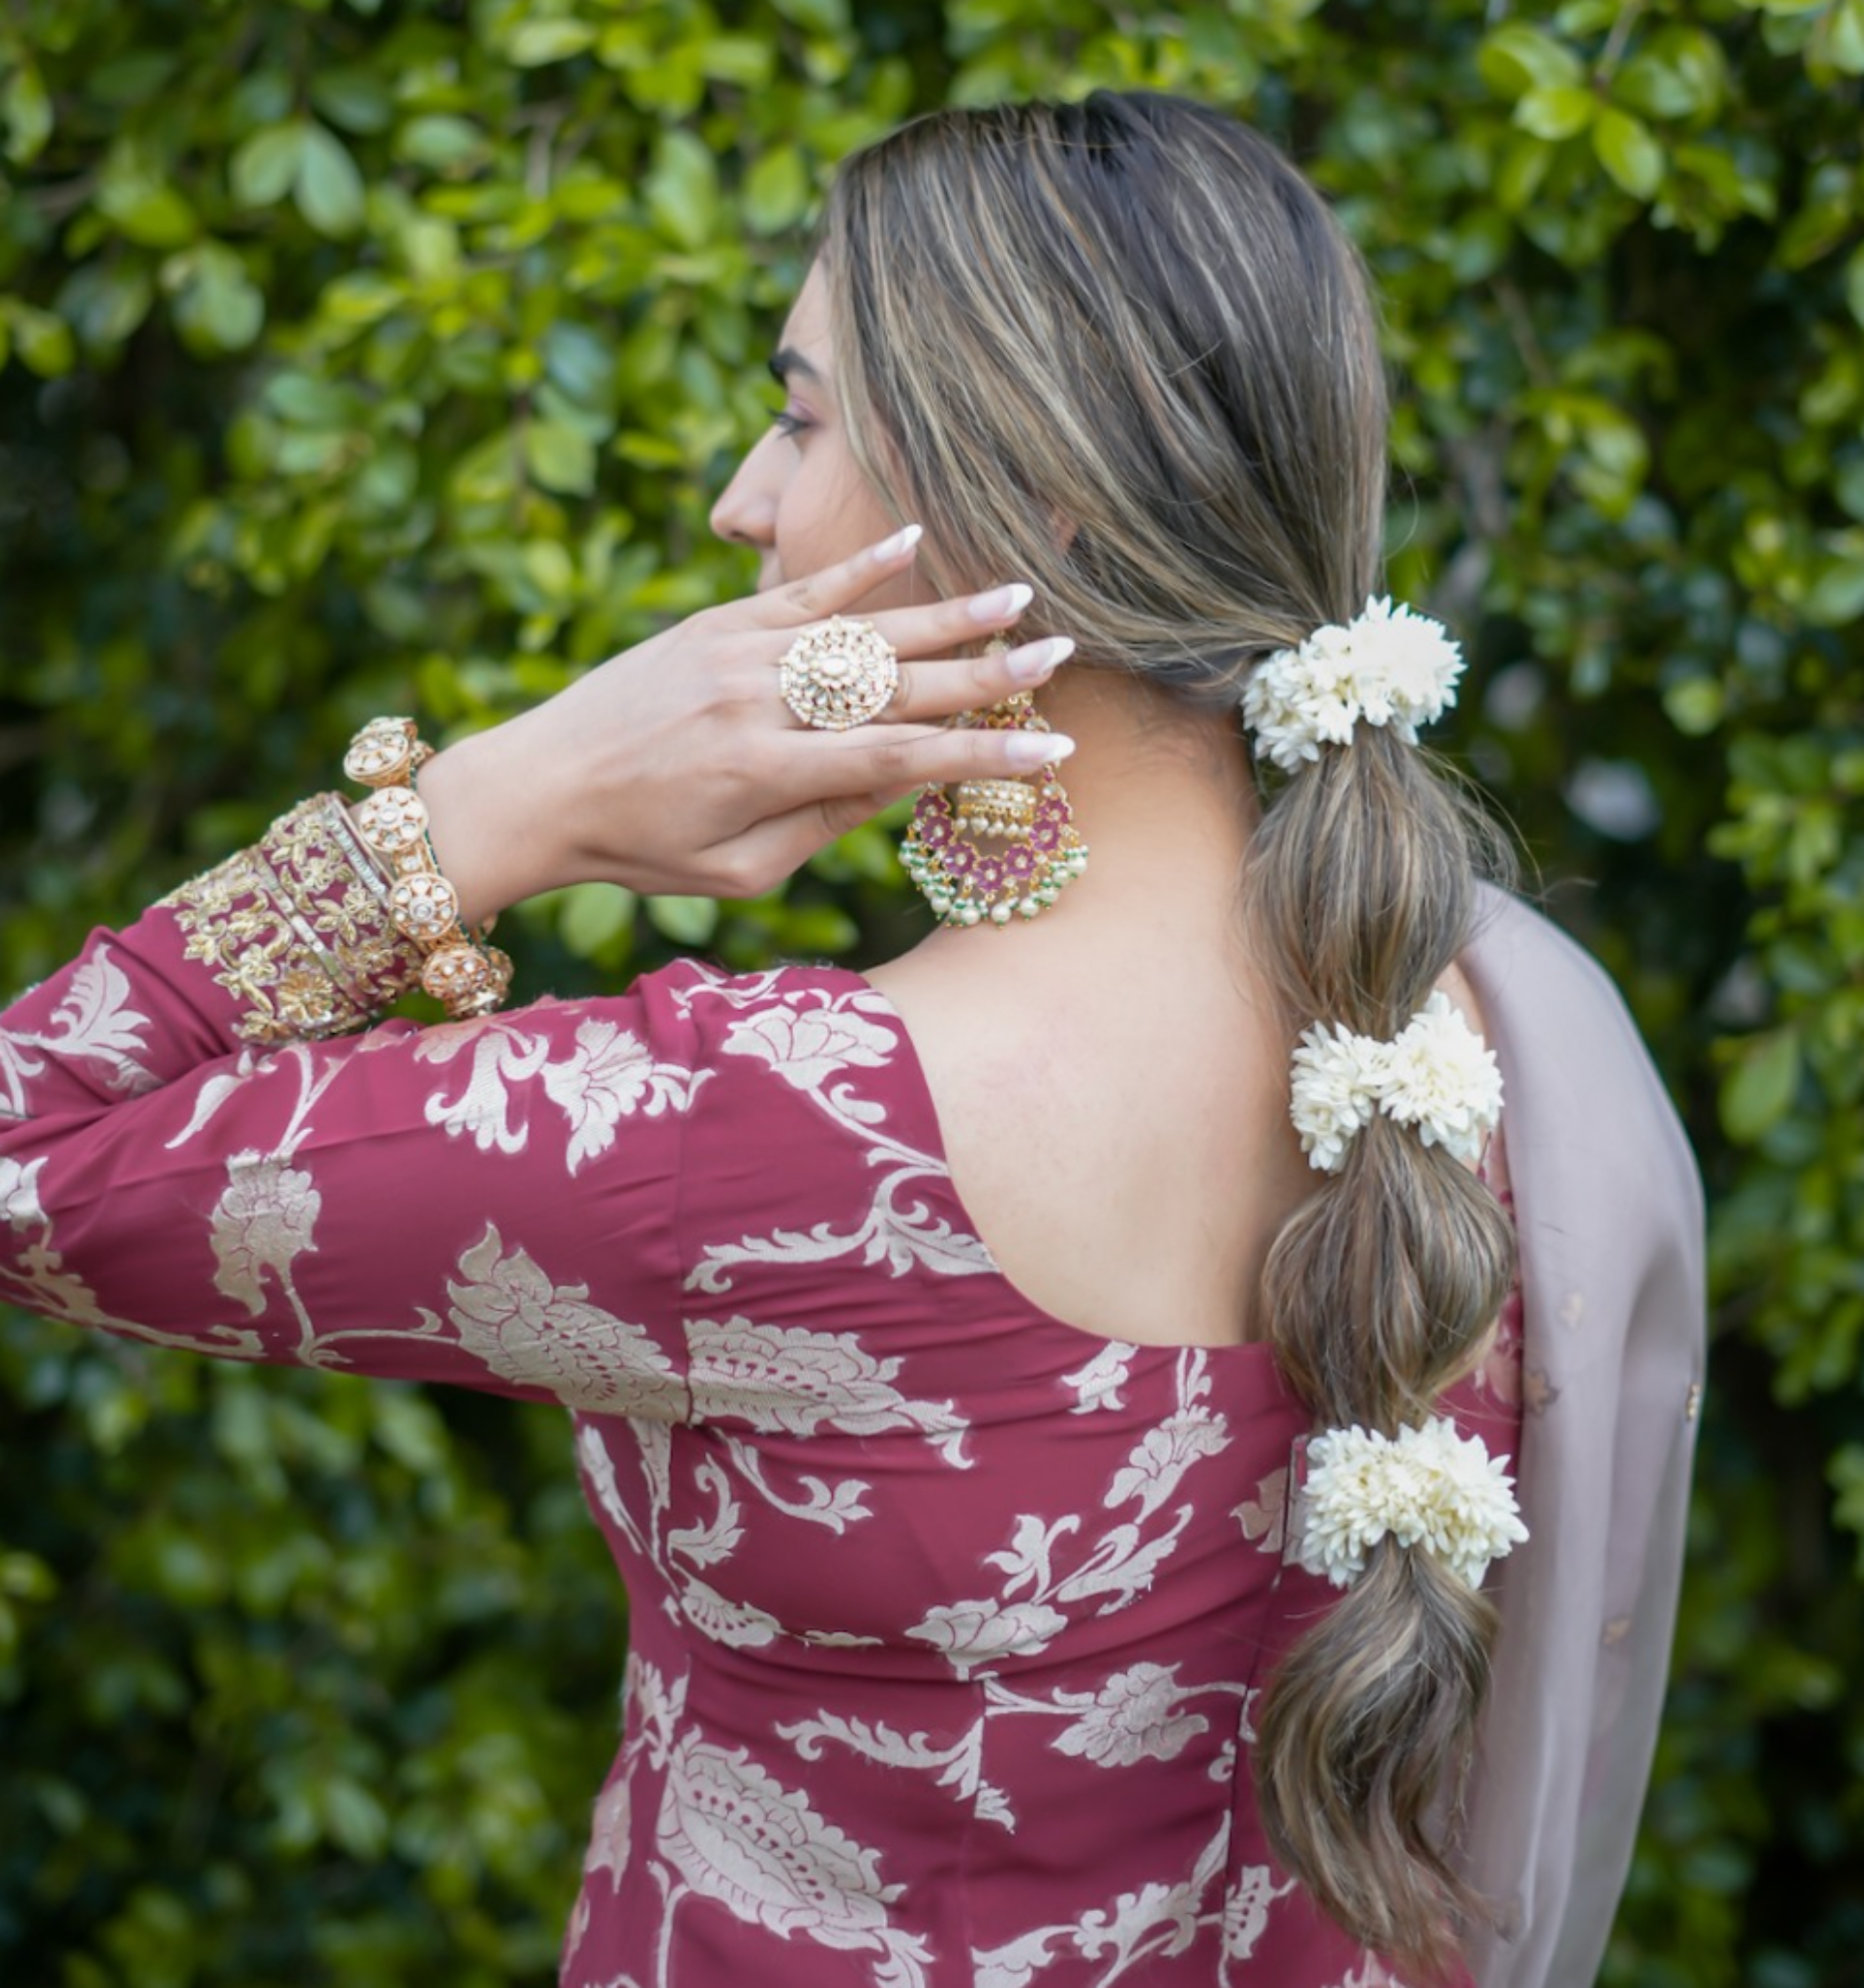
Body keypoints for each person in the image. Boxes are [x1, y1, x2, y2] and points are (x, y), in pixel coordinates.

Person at [0, 92, 1702, 1988]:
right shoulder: (1489, 1019)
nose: (742, 496)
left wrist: (495, 805)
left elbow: (22, 1154)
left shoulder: (769, 1135)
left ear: (1041, 504)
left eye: (799, 416)